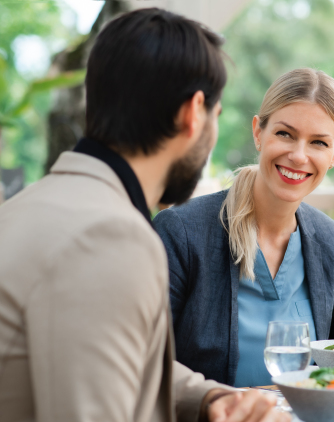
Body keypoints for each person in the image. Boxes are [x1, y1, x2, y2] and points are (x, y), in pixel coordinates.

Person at [0, 8, 289, 422]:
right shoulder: (106, 238)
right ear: (193, 113)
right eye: (216, 116)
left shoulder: (33, 208)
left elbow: (99, 354)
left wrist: (209, 399)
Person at [154, 68, 334, 387]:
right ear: (258, 132)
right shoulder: (182, 232)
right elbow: (145, 362)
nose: (298, 156)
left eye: (319, 143)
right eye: (285, 134)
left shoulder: (330, 240)